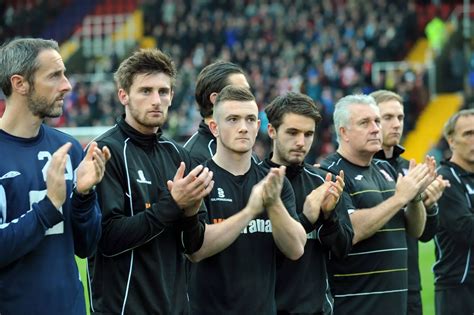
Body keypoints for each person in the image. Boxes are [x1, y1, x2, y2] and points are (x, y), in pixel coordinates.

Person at [87, 48, 214, 314]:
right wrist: (173, 203)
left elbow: (192, 247)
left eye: (163, 91)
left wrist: (190, 213)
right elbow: (106, 239)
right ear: (124, 95)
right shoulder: (105, 152)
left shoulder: (180, 156)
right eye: (146, 91)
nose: (156, 100)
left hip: (176, 306)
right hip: (124, 307)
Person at [0, 38, 110, 315]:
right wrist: (49, 207)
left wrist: (85, 196)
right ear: (20, 83)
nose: (67, 85)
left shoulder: (68, 148)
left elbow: (86, 247)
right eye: (54, 76)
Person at [187, 85, 307, 314]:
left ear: (258, 126)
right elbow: (196, 250)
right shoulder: (199, 180)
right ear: (214, 127)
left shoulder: (274, 182)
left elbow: (296, 248)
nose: (243, 127)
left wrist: (273, 204)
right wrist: (250, 212)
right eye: (232, 119)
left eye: (250, 119)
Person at [320, 94, 434, 315]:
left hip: (397, 305)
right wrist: (400, 198)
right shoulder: (329, 172)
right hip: (356, 306)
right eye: (365, 123)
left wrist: (416, 196)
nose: (375, 129)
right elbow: (352, 229)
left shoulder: (386, 169)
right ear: (343, 132)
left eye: (377, 121)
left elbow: (415, 229)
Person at [262, 92, 354, 314]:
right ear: (272, 131)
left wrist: (329, 216)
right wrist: (306, 219)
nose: (301, 142)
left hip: (317, 309)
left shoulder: (324, 182)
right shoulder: (255, 183)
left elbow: (343, 249)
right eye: (292, 132)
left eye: (308, 134)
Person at [371, 90, 448, 315]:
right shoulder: (356, 167)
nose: (396, 124)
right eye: (388, 118)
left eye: (400, 118)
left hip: (410, 287)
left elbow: (424, 235)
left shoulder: (408, 168)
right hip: (372, 287)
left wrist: (429, 204)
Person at [434, 109, 474, 315]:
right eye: (468, 134)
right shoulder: (445, 179)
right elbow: (467, 230)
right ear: (451, 141)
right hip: (458, 288)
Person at [184, 60, 252, 163]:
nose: (249, 99)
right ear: (215, 100)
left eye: (248, 92)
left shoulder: (248, 153)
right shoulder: (192, 158)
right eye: (240, 93)